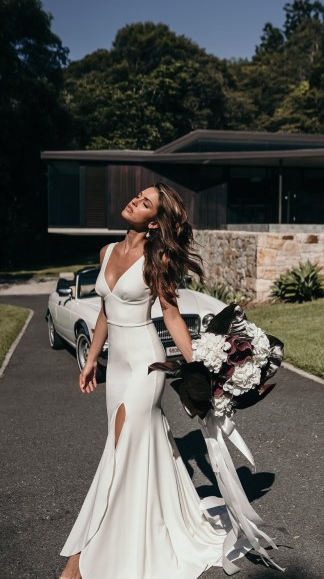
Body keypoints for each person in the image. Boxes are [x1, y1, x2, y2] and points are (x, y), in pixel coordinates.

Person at [59, 183, 227, 579]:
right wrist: (91, 360)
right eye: (138, 195)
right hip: (116, 367)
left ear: (154, 222)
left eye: (145, 202)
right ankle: (132, 527)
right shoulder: (106, 253)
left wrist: (196, 365)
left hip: (145, 366)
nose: (135, 200)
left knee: (118, 451)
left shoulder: (159, 255)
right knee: (127, 451)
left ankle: (81, 559)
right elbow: (105, 311)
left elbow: (170, 315)